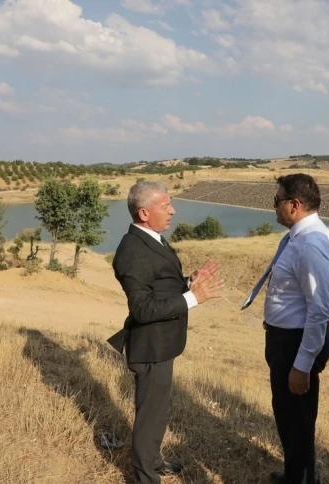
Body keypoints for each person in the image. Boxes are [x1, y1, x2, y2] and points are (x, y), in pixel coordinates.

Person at [107, 181, 223, 484]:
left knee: (158, 411)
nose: (173, 211)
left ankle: (153, 461)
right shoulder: (131, 251)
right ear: (144, 213)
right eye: (165, 206)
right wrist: (193, 298)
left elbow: (160, 286)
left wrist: (188, 282)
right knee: (150, 415)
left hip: (163, 343)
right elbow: (142, 308)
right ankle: (145, 476)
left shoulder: (153, 240)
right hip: (150, 346)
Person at [241, 173, 329, 484]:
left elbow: (319, 309)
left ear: (294, 205)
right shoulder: (300, 237)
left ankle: (303, 479)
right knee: (289, 416)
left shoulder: (310, 243)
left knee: (297, 419)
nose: (274, 206)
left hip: (296, 343)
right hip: (286, 340)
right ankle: (296, 474)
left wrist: (302, 364)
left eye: (277, 200)